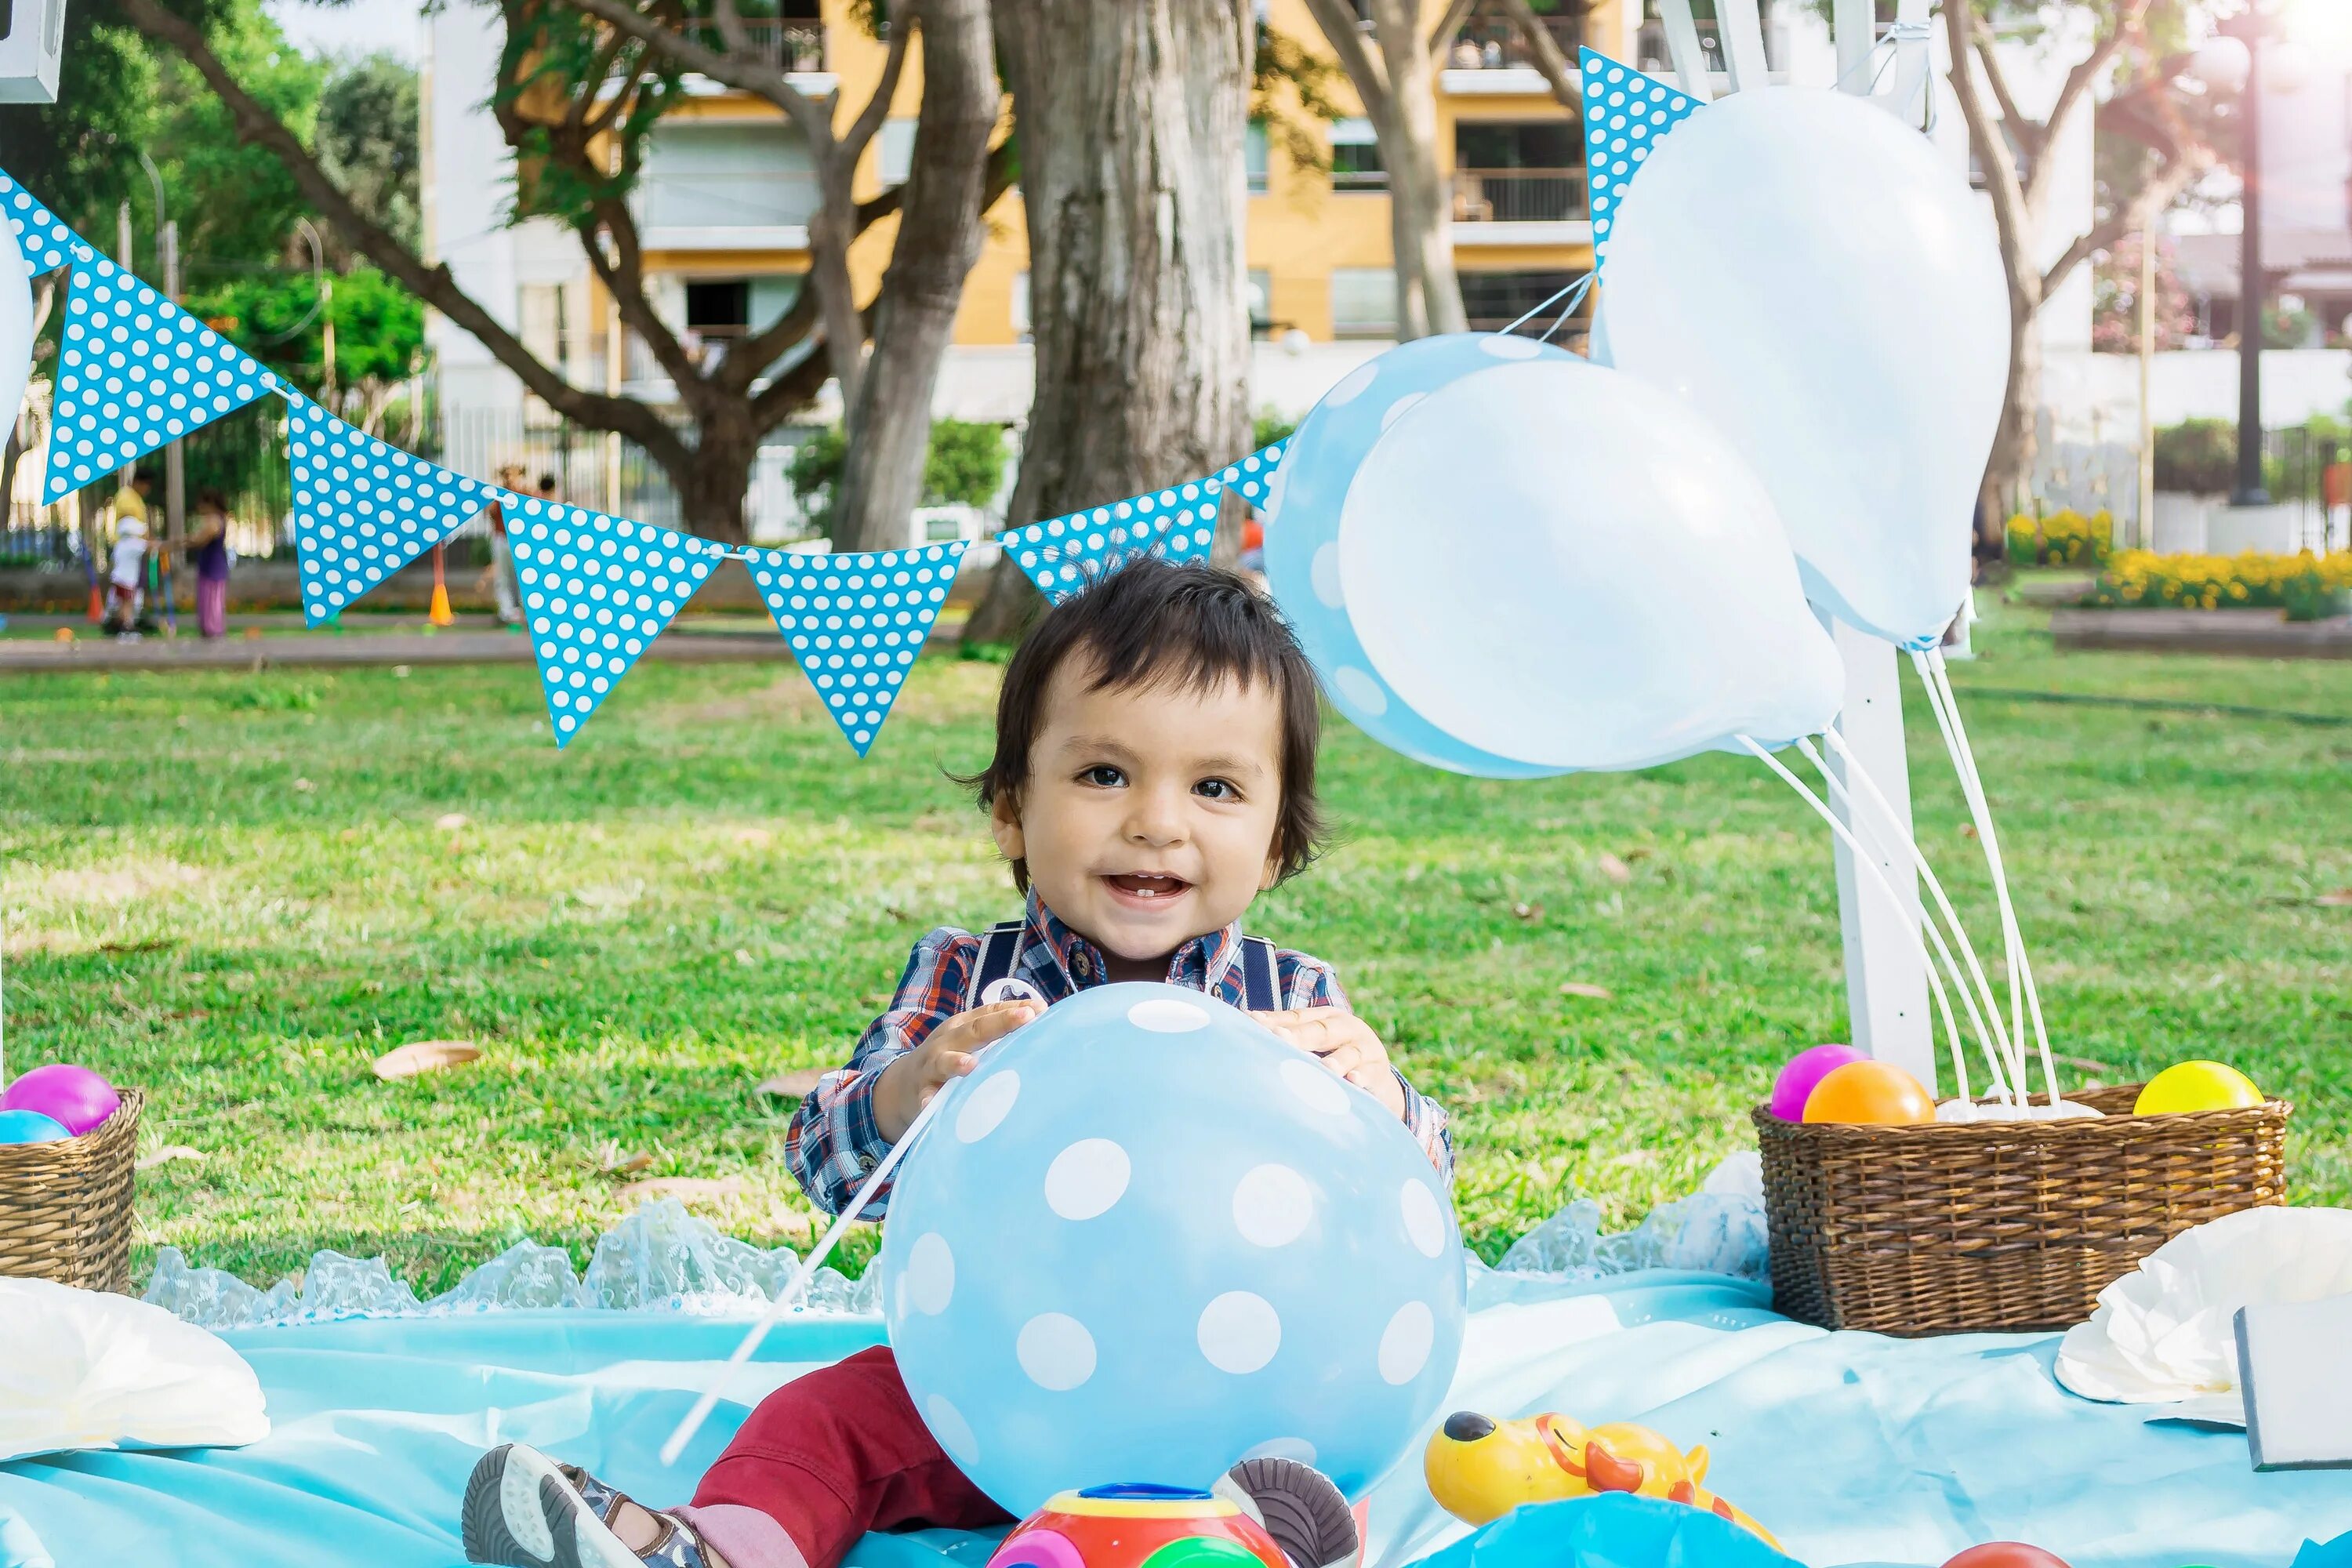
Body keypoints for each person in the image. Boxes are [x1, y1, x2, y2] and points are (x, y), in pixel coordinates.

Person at [457, 559, 1455, 1568]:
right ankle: (712, 1549)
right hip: (996, 1386)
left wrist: (1387, 1107)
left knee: (1329, 1476)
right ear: (1012, 810)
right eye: (1104, 773)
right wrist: (906, 1090)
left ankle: (1268, 1552)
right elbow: (827, 1164)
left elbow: (1411, 1213)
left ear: (1276, 839)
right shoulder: (967, 981)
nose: (1158, 818)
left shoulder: (1295, 1002)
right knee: (826, 1417)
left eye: (1215, 786)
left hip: (1248, 1405)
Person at [190, 488, 233, 639]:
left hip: (214, 567)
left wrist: (186, 541)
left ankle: (214, 630)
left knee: (212, 599)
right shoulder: (213, 519)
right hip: (208, 565)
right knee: (205, 598)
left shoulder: (215, 520)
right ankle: (208, 629)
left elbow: (200, 540)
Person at [485, 464, 524, 626]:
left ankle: (524, 609)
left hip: (519, 540)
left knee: (522, 576)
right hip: (501, 538)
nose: (509, 478)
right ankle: (506, 610)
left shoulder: (524, 494)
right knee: (503, 575)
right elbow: (489, 514)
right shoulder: (497, 495)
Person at [103, 516, 147, 638]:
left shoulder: (120, 544)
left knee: (123, 603)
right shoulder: (133, 544)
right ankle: (127, 628)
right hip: (126, 580)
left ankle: (119, 626)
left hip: (119, 579)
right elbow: (151, 546)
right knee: (128, 604)